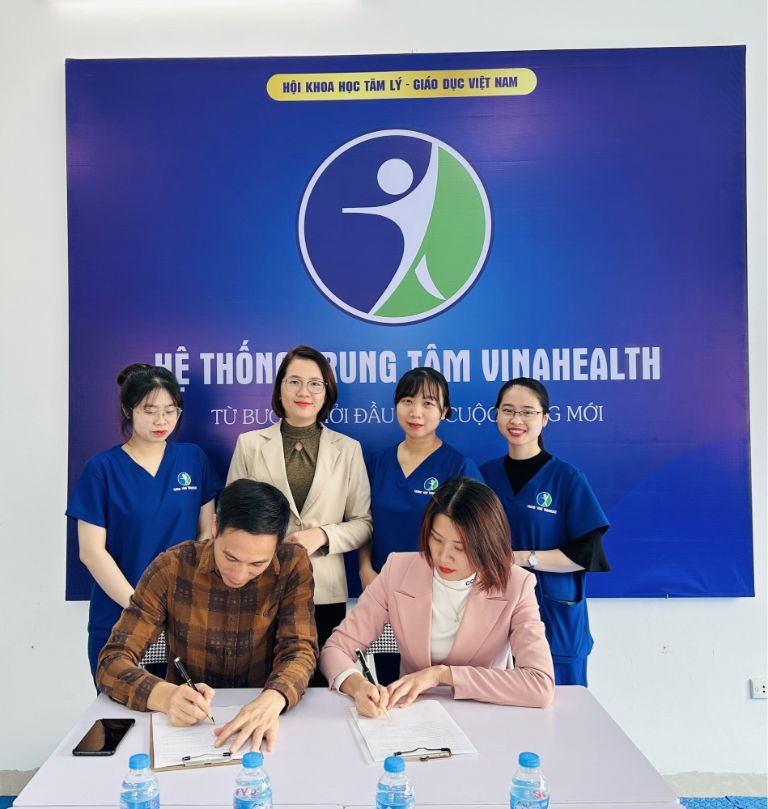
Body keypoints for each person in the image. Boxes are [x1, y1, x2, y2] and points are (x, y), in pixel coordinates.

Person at [97, 479, 318, 754]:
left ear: (277, 546)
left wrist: (273, 699)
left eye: (257, 564)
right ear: (214, 527)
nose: (239, 575)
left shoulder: (292, 563)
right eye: (231, 558)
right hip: (186, 727)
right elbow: (112, 661)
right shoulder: (172, 567)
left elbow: (300, 649)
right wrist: (166, 697)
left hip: (263, 720)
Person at [320, 477, 555, 716]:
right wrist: (358, 686)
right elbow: (335, 648)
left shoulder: (516, 585)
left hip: (484, 716)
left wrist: (442, 674)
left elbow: (540, 685)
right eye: (436, 539)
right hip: (413, 715)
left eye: (460, 547)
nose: (443, 556)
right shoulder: (397, 570)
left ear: (486, 544)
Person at [67, 364, 222, 678]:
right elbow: (91, 552)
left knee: (183, 705)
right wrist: (142, 608)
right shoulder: (102, 468)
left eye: (170, 410)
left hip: (182, 619)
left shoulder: (193, 458)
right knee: (122, 705)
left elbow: (206, 532)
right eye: (149, 411)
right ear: (129, 410)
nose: (161, 420)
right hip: (121, 618)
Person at [227, 345, 371, 658]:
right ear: (279, 389)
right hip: (260, 586)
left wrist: (322, 535)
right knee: (262, 679)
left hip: (325, 591)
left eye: (315, 383)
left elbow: (364, 524)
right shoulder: (249, 445)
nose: (304, 392)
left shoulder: (348, 449)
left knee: (323, 679)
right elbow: (231, 520)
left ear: (326, 393)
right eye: (294, 381)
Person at [480, 378, 610, 687]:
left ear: (545, 418)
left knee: (562, 708)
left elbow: (588, 554)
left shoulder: (566, 479)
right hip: (493, 611)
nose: (517, 420)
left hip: (554, 615)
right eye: (508, 410)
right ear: (496, 415)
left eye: (527, 412)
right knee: (496, 704)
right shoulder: (483, 476)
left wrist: (520, 558)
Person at [357, 367, 482, 683]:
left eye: (428, 403)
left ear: (444, 411)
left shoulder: (457, 465)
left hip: (439, 597)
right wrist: (365, 569)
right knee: (388, 685)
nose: (416, 412)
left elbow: (475, 532)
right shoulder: (377, 462)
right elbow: (363, 521)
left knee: (432, 686)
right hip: (383, 591)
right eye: (408, 401)